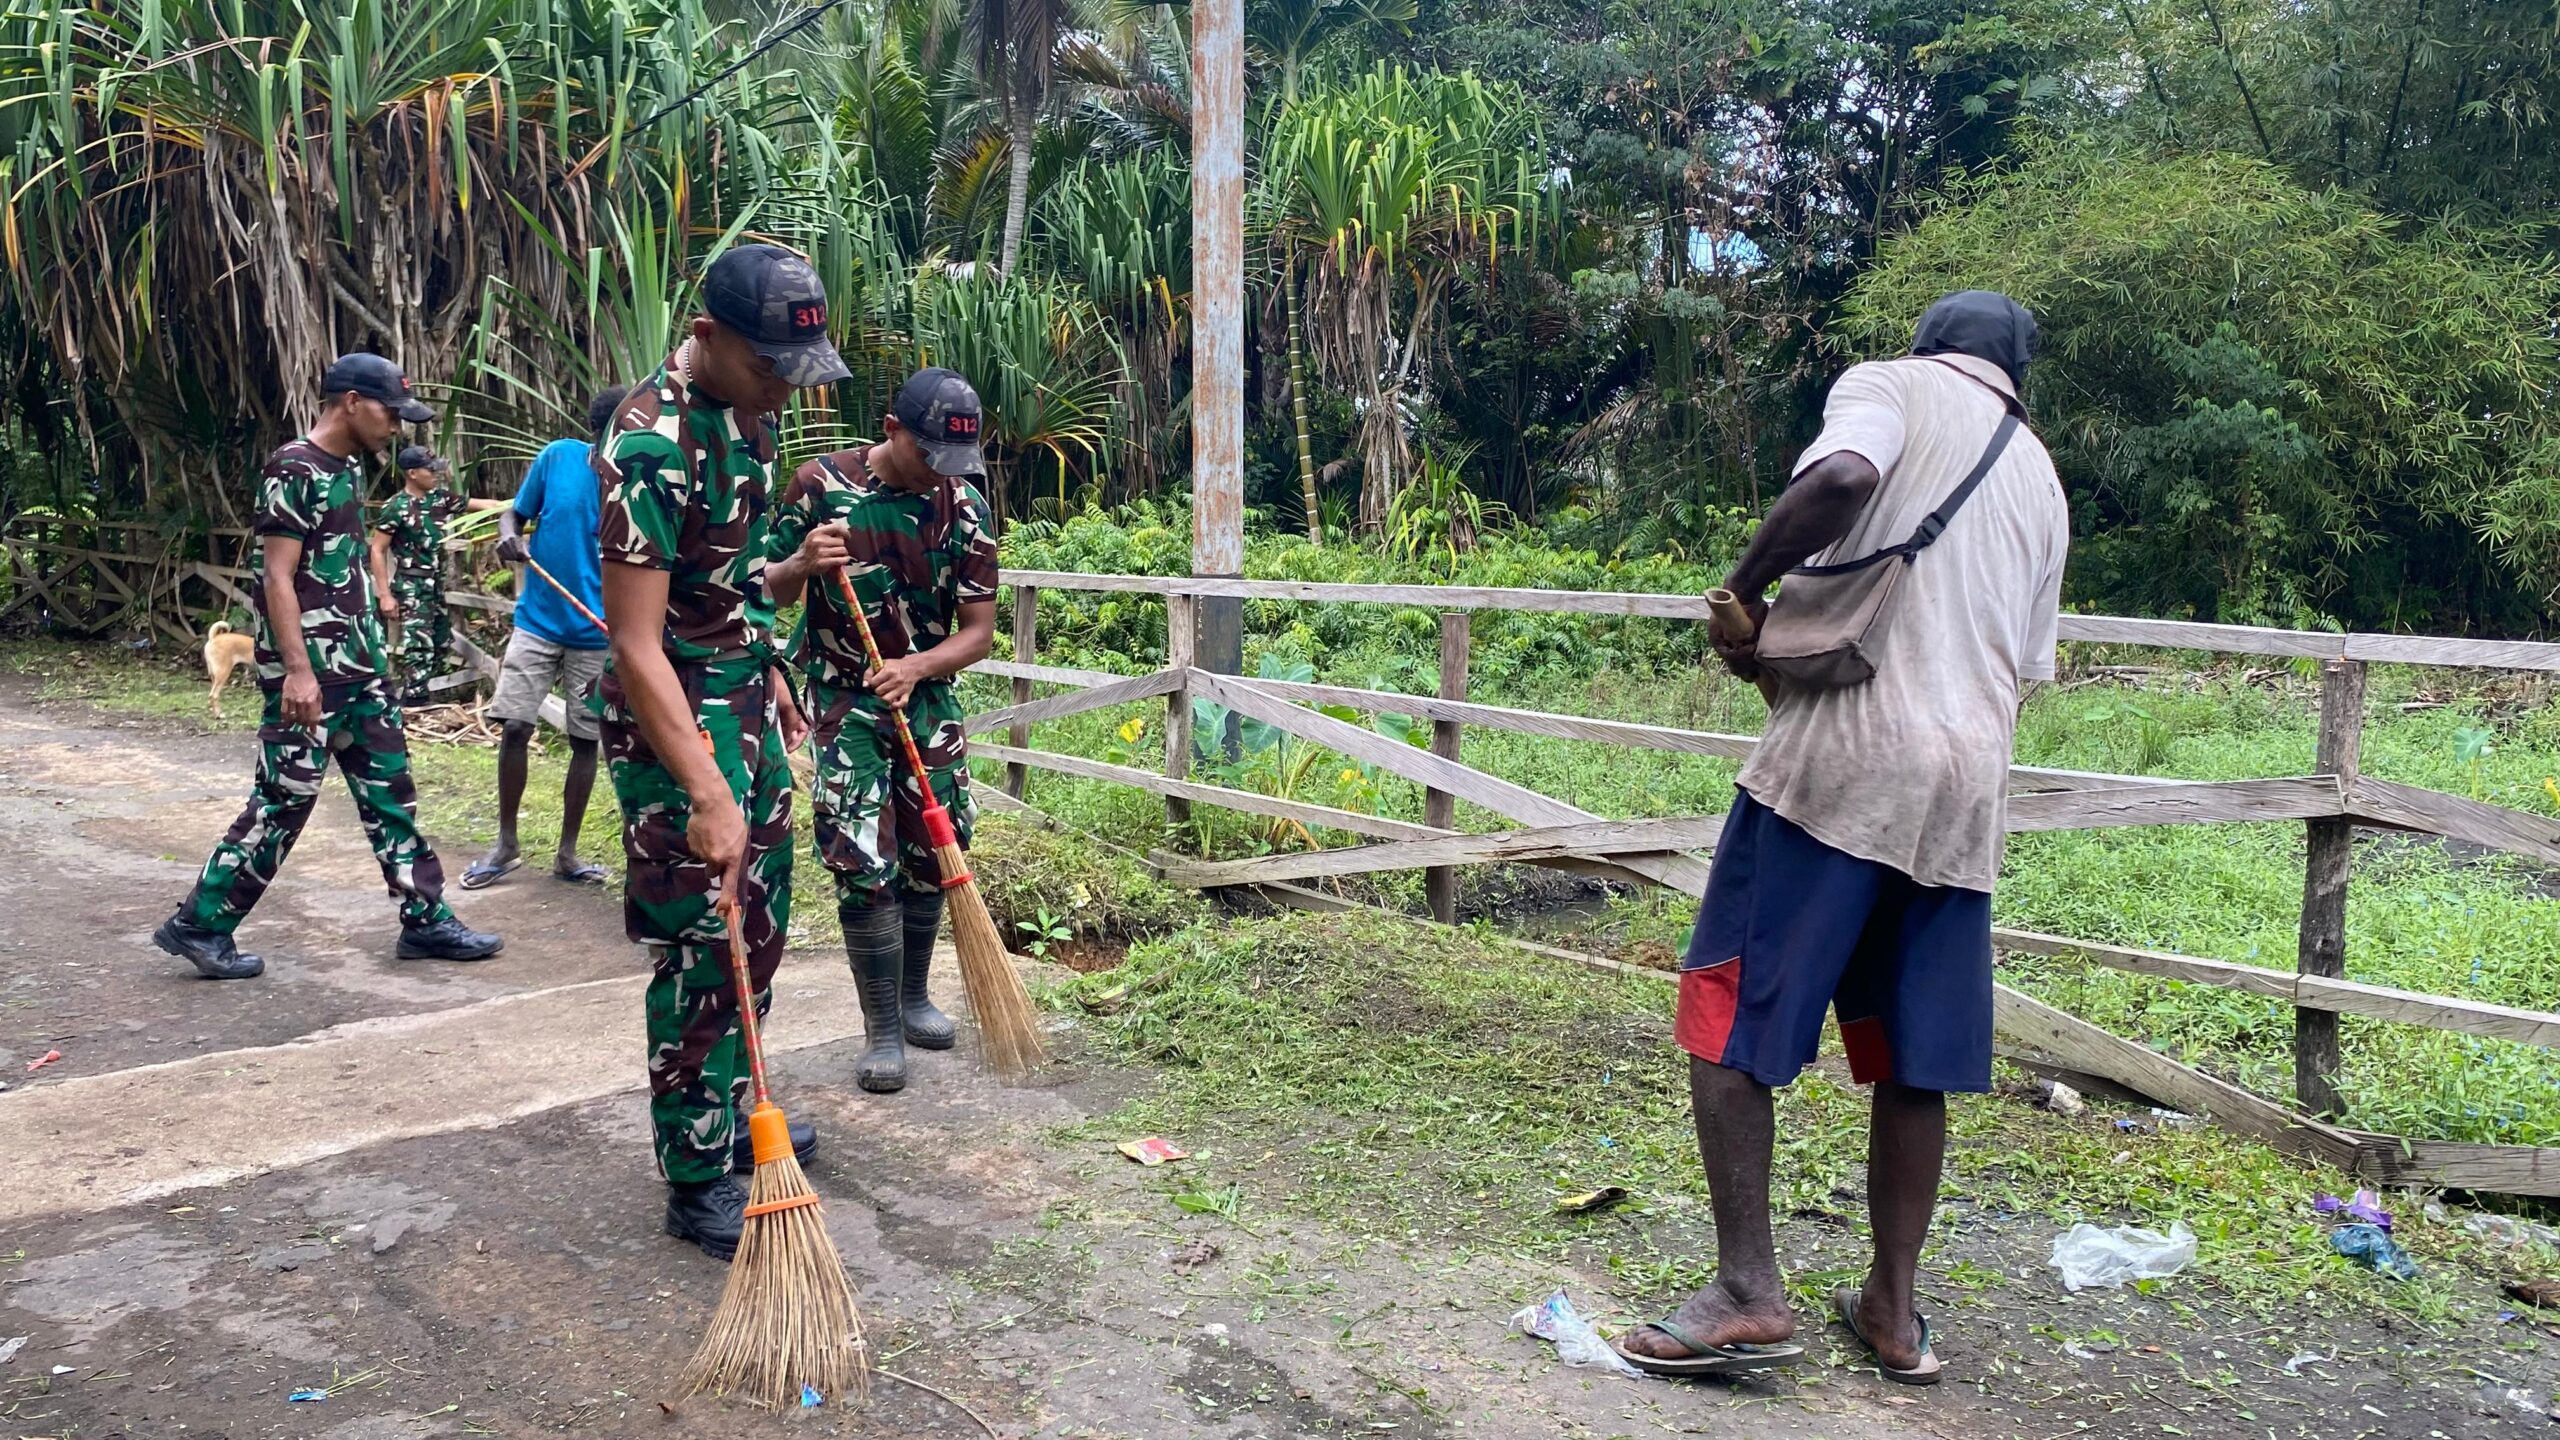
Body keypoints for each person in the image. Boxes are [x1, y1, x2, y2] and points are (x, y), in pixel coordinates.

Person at [1616, 291, 2066, 1385]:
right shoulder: (2043, 480)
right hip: (1966, 791)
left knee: (1728, 1012)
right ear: (2016, 375)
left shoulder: (1889, 388)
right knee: (1914, 1059)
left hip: (1841, 770)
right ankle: (1892, 1311)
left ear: (1929, 349)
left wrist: (1746, 583)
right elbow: (2023, 666)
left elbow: (1846, 478)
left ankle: (1745, 1290)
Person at [596, 244, 842, 1260]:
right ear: (707, 339)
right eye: (771, 367)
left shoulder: (748, 421)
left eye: (799, 366)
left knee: (764, 923)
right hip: (675, 724)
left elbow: (732, 584)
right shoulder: (649, 444)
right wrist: (701, 788)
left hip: (742, 696)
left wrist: (773, 666)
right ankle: (695, 1173)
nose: (787, 387)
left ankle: (742, 1112)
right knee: (705, 944)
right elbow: (636, 641)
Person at [154, 355, 504, 980]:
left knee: (391, 796)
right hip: (312, 676)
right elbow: (277, 576)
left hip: (360, 670)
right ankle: (199, 923)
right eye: (389, 413)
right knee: (281, 804)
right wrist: (296, 671)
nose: (396, 426)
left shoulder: (342, 470)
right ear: (349, 401)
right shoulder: (294, 467)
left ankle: (425, 920)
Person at [767, 367, 999, 1095]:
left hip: (925, 702)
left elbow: (980, 632)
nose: (941, 475)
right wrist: (802, 562)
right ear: (892, 429)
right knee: (862, 855)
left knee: (937, 848)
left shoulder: (964, 505)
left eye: (955, 463)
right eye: (930, 456)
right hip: (845, 700)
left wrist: (918, 666)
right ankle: (881, 1029)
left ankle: (914, 995)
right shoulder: (820, 487)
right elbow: (756, 586)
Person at [461, 386, 629, 890]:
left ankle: (568, 854)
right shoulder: (558, 457)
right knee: (514, 725)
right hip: (538, 621)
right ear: (602, 429)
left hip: (596, 632)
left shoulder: (637, 481)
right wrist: (508, 533)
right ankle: (506, 845)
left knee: (584, 739)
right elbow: (515, 512)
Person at [370, 445, 503, 705]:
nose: (436, 474)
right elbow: (377, 549)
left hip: (435, 584)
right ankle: (414, 700)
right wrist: (385, 595)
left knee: (441, 639)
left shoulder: (440, 499)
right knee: (418, 644)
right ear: (412, 473)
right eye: (430, 470)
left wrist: (518, 506)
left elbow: (482, 505)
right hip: (411, 583)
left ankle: (429, 692)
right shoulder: (396, 506)